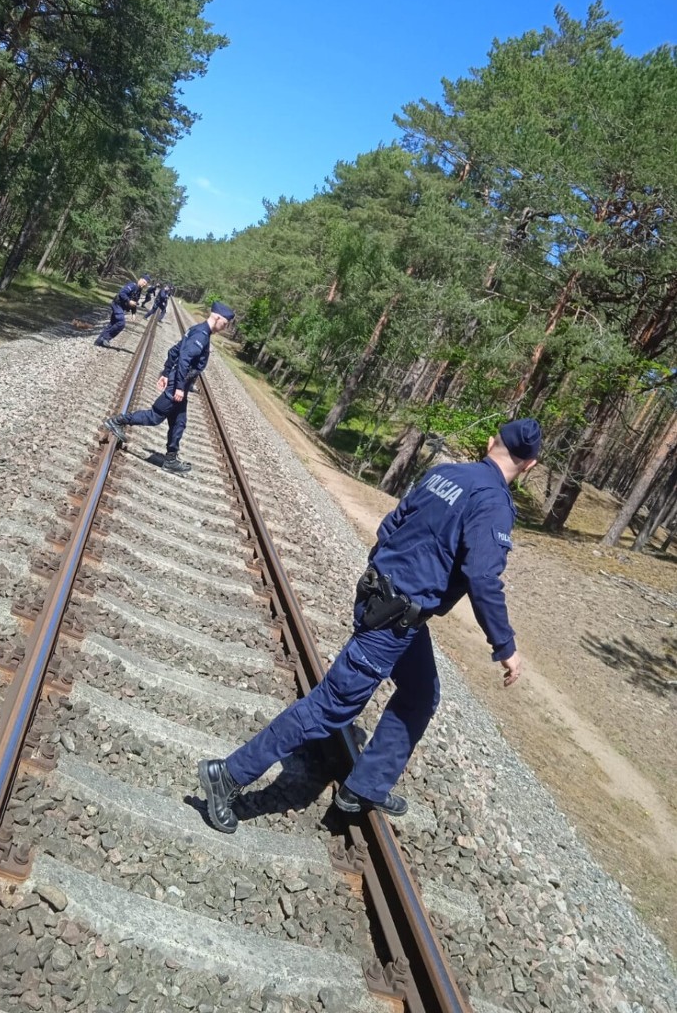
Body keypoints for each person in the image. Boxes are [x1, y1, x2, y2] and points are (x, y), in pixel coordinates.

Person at [197, 418, 541, 834]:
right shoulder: (493, 502)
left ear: (492, 443)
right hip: (394, 620)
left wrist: (384, 576)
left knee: (420, 693)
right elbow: (484, 578)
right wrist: (505, 646)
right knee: (329, 707)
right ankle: (229, 774)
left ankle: (365, 787)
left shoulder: (446, 473)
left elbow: (391, 524)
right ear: (530, 466)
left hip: (386, 603)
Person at [100, 302, 235, 474]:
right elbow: (184, 361)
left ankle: (171, 459)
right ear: (217, 317)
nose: (224, 327)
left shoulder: (198, 330)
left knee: (179, 422)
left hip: (181, 384)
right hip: (178, 384)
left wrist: (165, 372)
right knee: (155, 416)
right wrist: (178, 386)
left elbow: (174, 351)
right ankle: (117, 421)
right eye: (225, 323)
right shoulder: (201, 336)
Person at [94, 275, 151, 348]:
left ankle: (98, 342)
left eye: (146, 284)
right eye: (144, 282)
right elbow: (122, 293)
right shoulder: (132, 285)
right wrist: (128, 300)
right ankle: (105, 338)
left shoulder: (139, 291)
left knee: (112, 324)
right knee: (121, 323)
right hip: (117, 305)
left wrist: (133, 313)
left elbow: (134, 302)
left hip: (122, 307)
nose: (144, 284)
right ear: (140, 280)